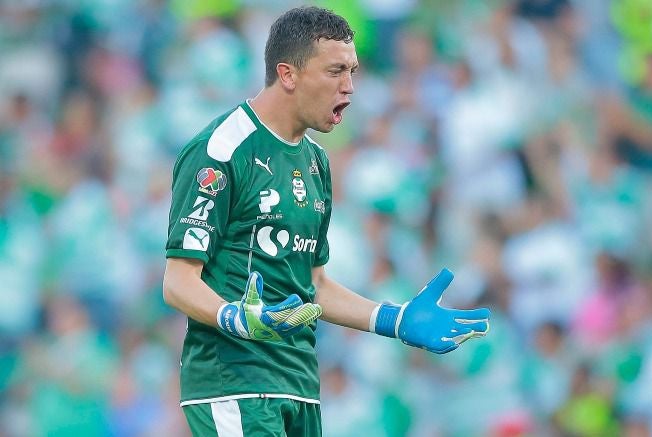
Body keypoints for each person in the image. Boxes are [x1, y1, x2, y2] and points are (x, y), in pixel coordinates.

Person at [162, 6, 490, 436]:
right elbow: (177, 280)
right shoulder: (221, 149)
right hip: (236, 382)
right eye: (335, 71)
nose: (350, 87)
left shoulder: (316, 161)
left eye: (352, 71)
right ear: (288, 74)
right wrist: (234, 316)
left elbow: (313, 285)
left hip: (299, 385)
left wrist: (392, 319)